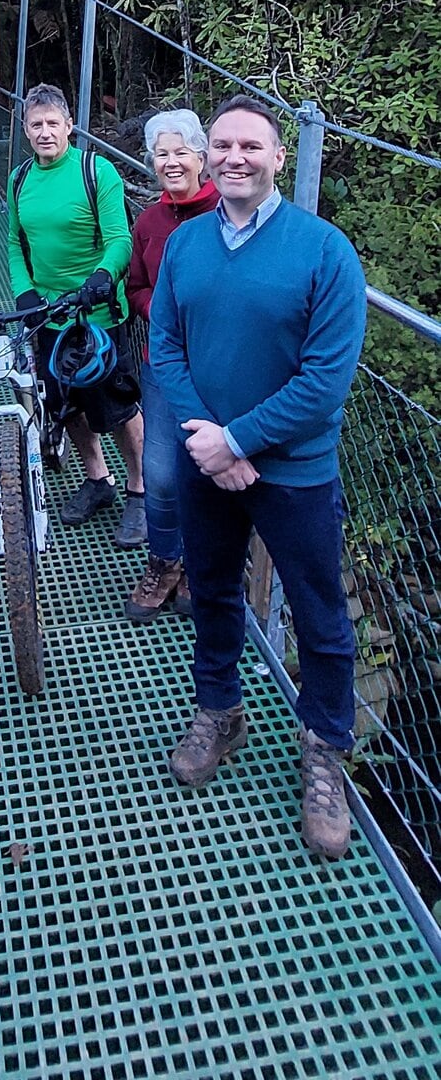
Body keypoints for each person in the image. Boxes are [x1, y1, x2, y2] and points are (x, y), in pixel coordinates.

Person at [150, 96, 367, 861]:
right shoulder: (185, 246)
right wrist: (209, 441)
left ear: (279, 157)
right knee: (211, 590)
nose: (234, 156)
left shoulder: (324, 250)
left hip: (294, 469)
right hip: (204, 457)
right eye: (222, 145)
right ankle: (220, 709)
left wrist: (237, 439)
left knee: (319, 611)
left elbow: (325, 380)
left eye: (251, 145)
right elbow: (167, 350)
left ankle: (324, 751)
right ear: (207, 158)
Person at [6, 83, 145, 549]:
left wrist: (104, 276)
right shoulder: (20, 178)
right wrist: (24, 292)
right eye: (35, 124)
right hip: (50, 317)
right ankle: (97, 479)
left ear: (69, 126)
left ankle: (140, 489)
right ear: (25, 130)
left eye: (52, 123)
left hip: (97, 315)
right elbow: (13, 241)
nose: (45, 132)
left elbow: (120, 237)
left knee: (118, 405)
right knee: (66, 405)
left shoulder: (95, 170)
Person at [124, 110, 219, 622]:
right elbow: (136, 285)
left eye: (182, 151)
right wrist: (159, 309)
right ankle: (165, 560)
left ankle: (200, 564)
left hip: (219, 365)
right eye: (162, 154)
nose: (172, 162)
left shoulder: (227, 212)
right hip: (162, 362)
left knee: (209, 467)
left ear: (202, 158)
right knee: (160, 474)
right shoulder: (149, 222)